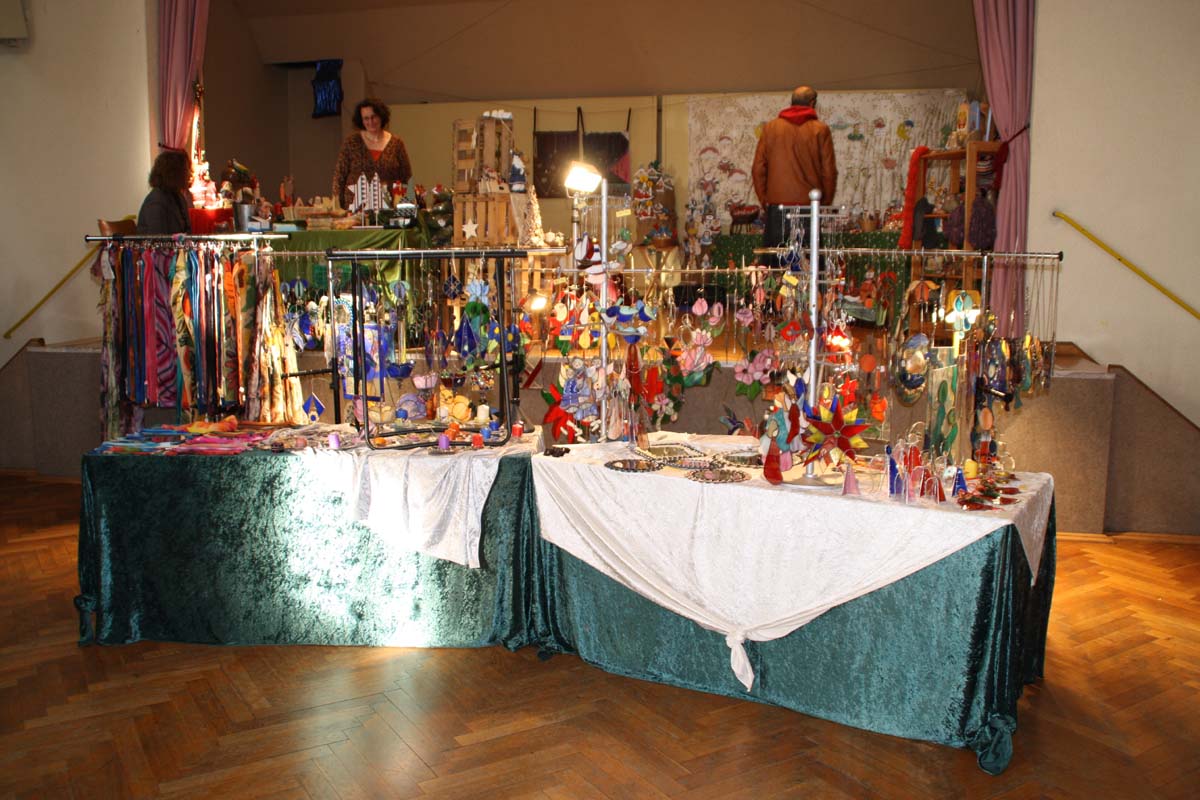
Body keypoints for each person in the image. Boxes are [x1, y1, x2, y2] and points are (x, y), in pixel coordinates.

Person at [751, 86, 838, 254]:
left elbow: (758, 169)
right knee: (809, 262)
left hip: (777, 208)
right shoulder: (820, 130)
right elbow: (829, 172)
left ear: (791, 102)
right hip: (809, 207)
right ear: (812, 103)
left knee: (775, 264)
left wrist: (766, 201)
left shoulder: (770, 128)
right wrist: (823, 204)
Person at [332, 98, 413, 210]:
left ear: (381, 116)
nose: (370, 122)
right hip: (355, 209)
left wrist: (407, 207)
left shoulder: (396, 144)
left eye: (374, 117)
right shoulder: (351, 143)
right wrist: (337, 208)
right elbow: (339, 177)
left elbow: (406, 178)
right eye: (366, 118)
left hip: (387, 209)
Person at [136, 150, 193, 234]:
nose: (189, 174)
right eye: (186, 170)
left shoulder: (178, 197)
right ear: (173, 173)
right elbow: (158, 237)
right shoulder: (156, 201)